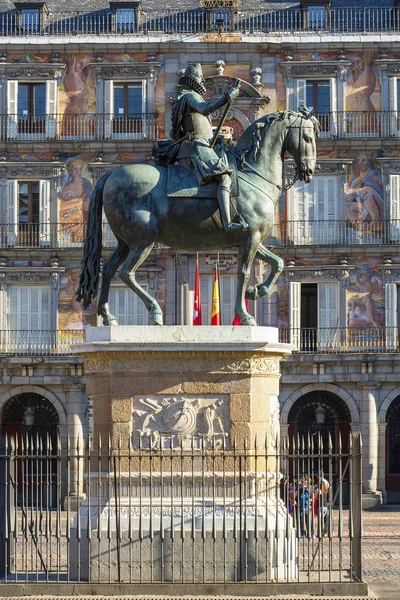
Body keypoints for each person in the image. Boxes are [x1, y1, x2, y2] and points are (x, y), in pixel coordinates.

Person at [153, 63, 248, 232]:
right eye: (200, 77)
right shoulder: (191, 96)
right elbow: (205, 110)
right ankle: (227, 223)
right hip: (195, 148)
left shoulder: (186, 97)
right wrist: (228, 97)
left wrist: (216, 138)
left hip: (197, 145)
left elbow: (198, 127)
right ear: (194, 80)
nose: (203, 80)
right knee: (224, 177)